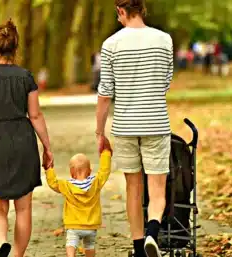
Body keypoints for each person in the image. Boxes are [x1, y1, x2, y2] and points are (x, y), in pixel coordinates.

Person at [95, 1, 174, 257]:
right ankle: (153, 232)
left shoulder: (111, 45)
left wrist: (100, 132)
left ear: (121, 11)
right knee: (157, 188)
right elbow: (165, 82)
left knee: (133, 187)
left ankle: (139, 247)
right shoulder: (164, 40)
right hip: (155, 122)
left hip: (125, 126)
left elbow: (105, 93)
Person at [0, 19, 53, 257]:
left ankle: (1, 243)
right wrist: (47, 148)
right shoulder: (25, 77)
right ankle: (16, 255)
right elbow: (35, 115)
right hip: (22, 140)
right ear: (15, 48)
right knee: (24, 208)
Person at [44, 137, 112, 257]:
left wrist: (49, 168)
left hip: (73, 225)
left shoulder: (66, 185)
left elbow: (53, 183)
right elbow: (104, 171)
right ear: (90, 171)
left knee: (71, 243)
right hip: (91, 225)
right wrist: (106, 153)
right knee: (89, 245)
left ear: (71, 172)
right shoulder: (95, 183)